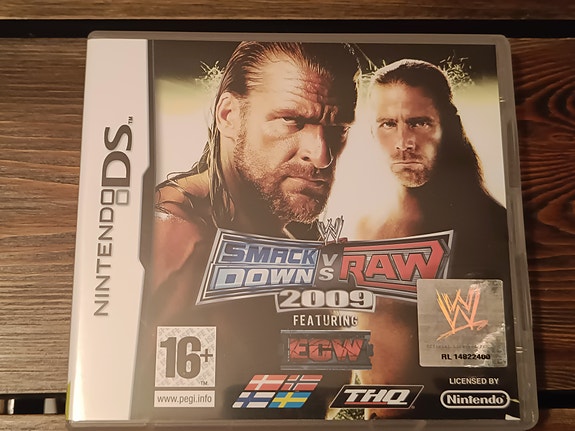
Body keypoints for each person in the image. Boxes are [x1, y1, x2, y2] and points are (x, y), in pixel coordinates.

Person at [132, 41, 360, 420]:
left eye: (339, 128)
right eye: (291, 120)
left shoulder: (286, 243)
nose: (322, 155)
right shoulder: (181, 237)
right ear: (228, 116)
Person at [355, 59, 511, 419]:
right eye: (387, 124)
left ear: (448, 126)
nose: (404, 143)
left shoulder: (483, 228)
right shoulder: (364, 226)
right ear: (371, 132)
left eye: (419, 122)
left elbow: (472, 383)